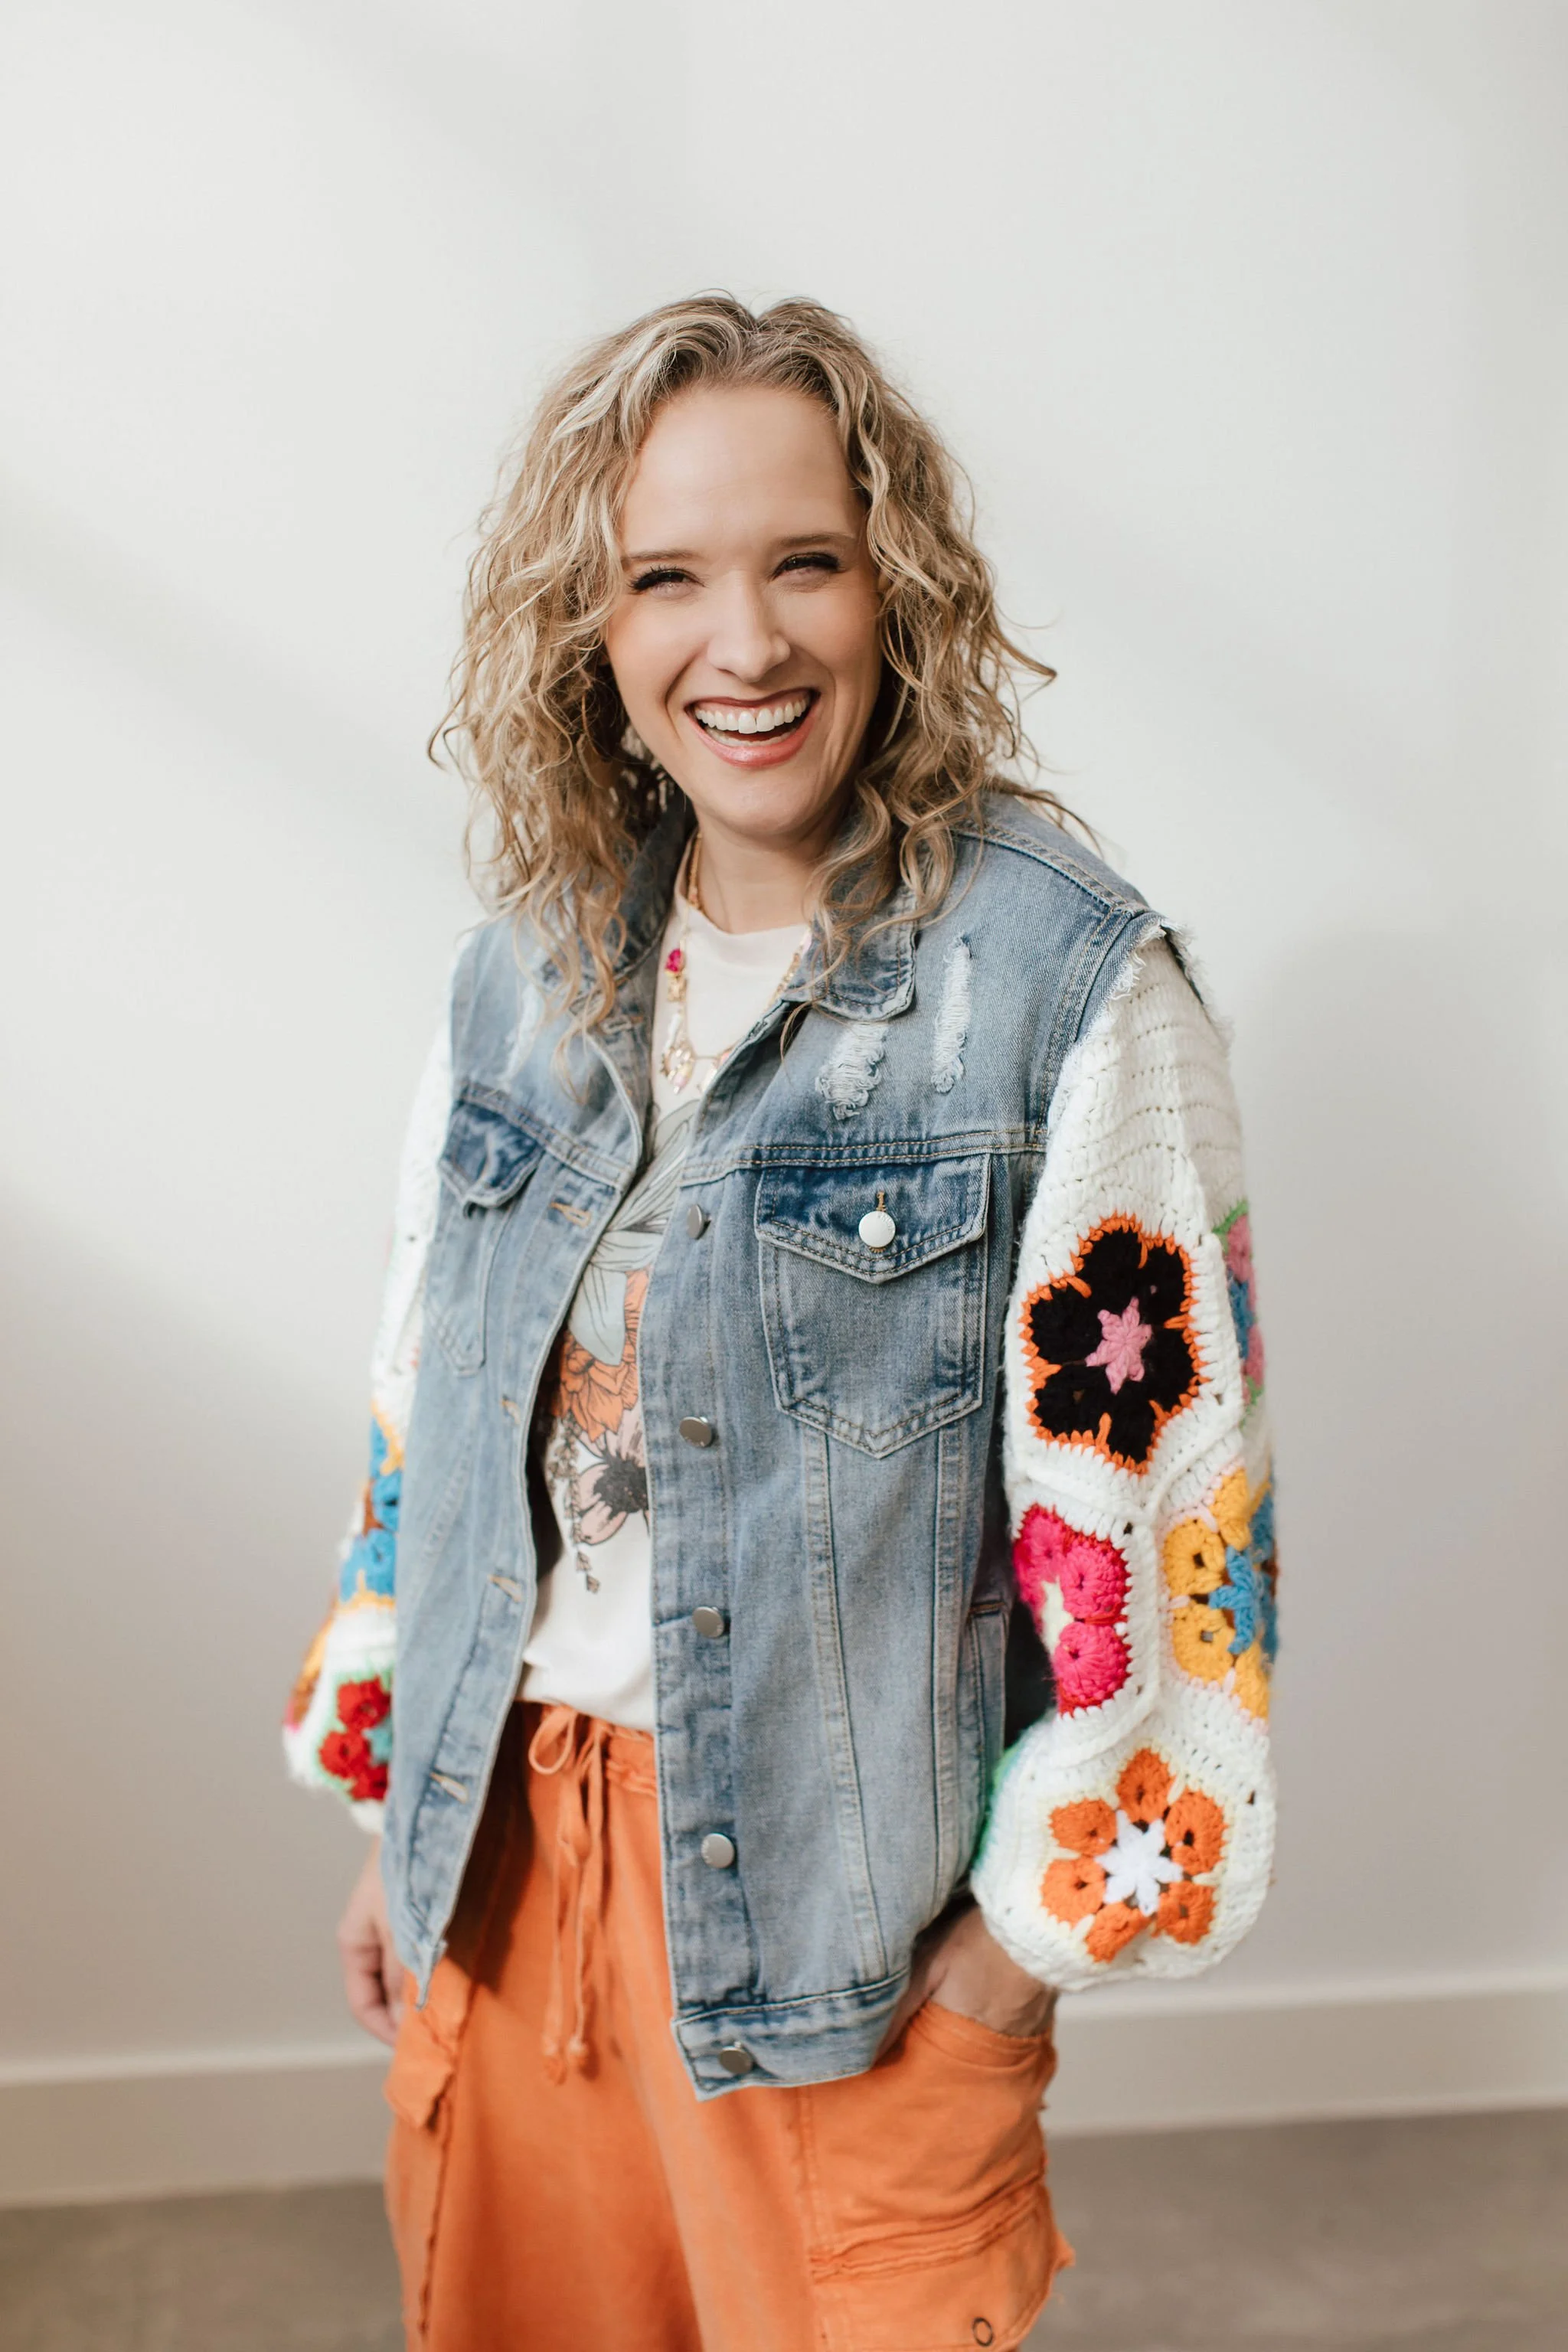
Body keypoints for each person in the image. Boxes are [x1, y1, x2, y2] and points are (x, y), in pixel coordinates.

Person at [284, 294, 1277, 2352]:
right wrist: (413, 1815)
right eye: (667, 577)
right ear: (594, 624)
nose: (743, 646)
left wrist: (1014, 1962)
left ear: (894, 587)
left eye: (802, 563)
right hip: (503, 1886)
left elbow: (1169, 1520)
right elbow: (429, 1430)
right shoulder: (529, 977)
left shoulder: (1061, 990)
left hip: (847, 1943)